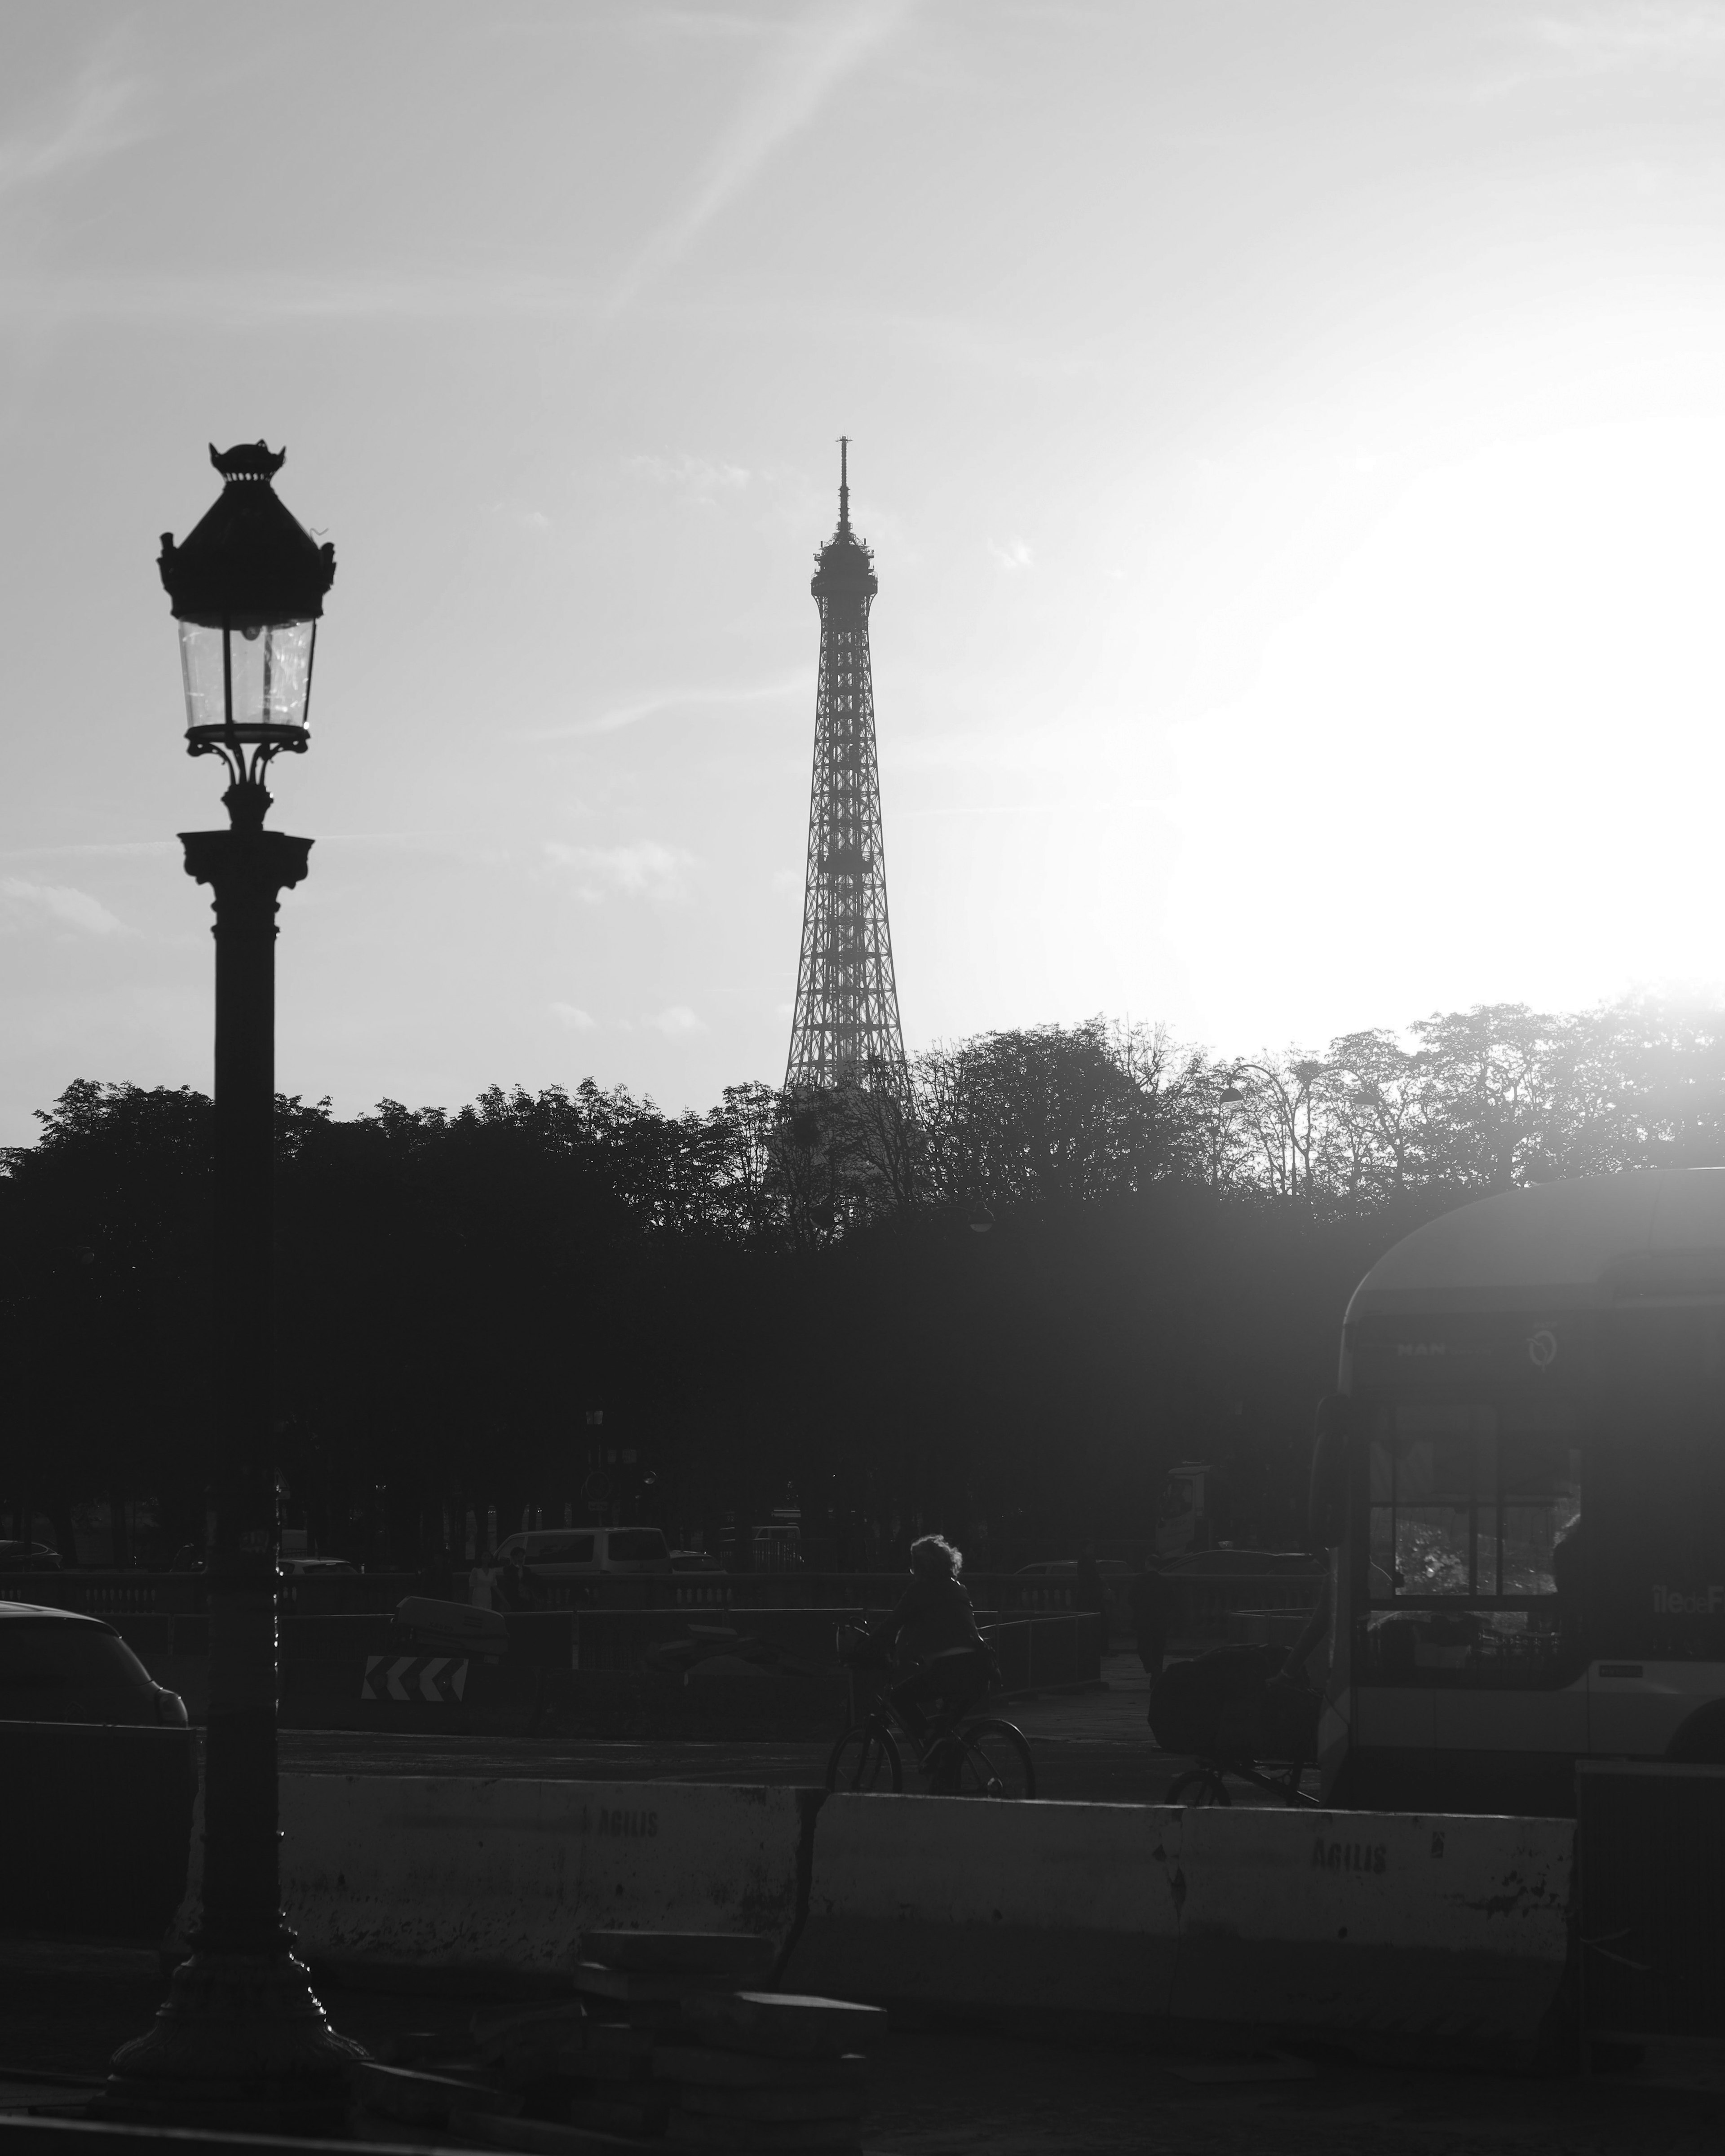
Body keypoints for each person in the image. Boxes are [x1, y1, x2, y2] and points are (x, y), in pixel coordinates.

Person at [864, 1533, 991, 1748]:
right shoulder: (958, 1588)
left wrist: (864, 1648)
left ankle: (928, 1739)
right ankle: (945, 1767)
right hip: (980, 1669)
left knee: (899, 1699)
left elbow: (893, 1623)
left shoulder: (920, 1591)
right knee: (944, 1734)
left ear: (920, 1566)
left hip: (950, 1669)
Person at [1129, 1555, 1169, 1678]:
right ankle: (1156, 1677)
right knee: (1158, 1649)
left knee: (1143, 1647)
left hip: (1144, 1618)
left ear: (1147, 1564)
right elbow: (1171, 1601)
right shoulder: (1164, 1582)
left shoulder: (1139, 1580)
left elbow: (1131, 1599)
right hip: (1160, 1619)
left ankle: (1152, 1668)